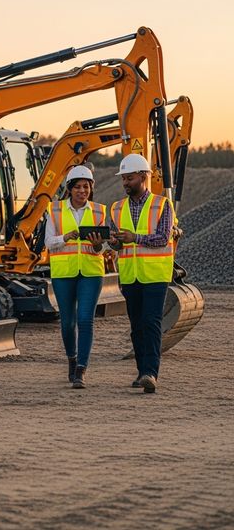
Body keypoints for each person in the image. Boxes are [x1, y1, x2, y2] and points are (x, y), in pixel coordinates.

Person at [109, 154, 175, 394]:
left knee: (151, 321)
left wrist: (134, 237)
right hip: (130, 275)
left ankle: (151, 373)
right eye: (124, 178)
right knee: (136, 325)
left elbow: (162, 239)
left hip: (156, 274)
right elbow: (117, 245)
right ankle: (141, 373)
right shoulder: (116, 208)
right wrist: (112, 242)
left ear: (144, 176)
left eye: (130, 178)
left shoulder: (162, 204)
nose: (126, 182)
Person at [45, 165, 107, 389]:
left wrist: (99, 245)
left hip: (91, 272)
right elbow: (49, 242)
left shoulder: (100, 211)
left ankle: (81, 369)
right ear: (70, 189)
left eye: (86, 187)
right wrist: (66, 237)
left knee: (85, 319)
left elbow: (103, 249)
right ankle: (71, 358)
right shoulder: (54, 210)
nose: (83, 191)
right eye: (78, 187)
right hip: (64, 272)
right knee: (68, 322)